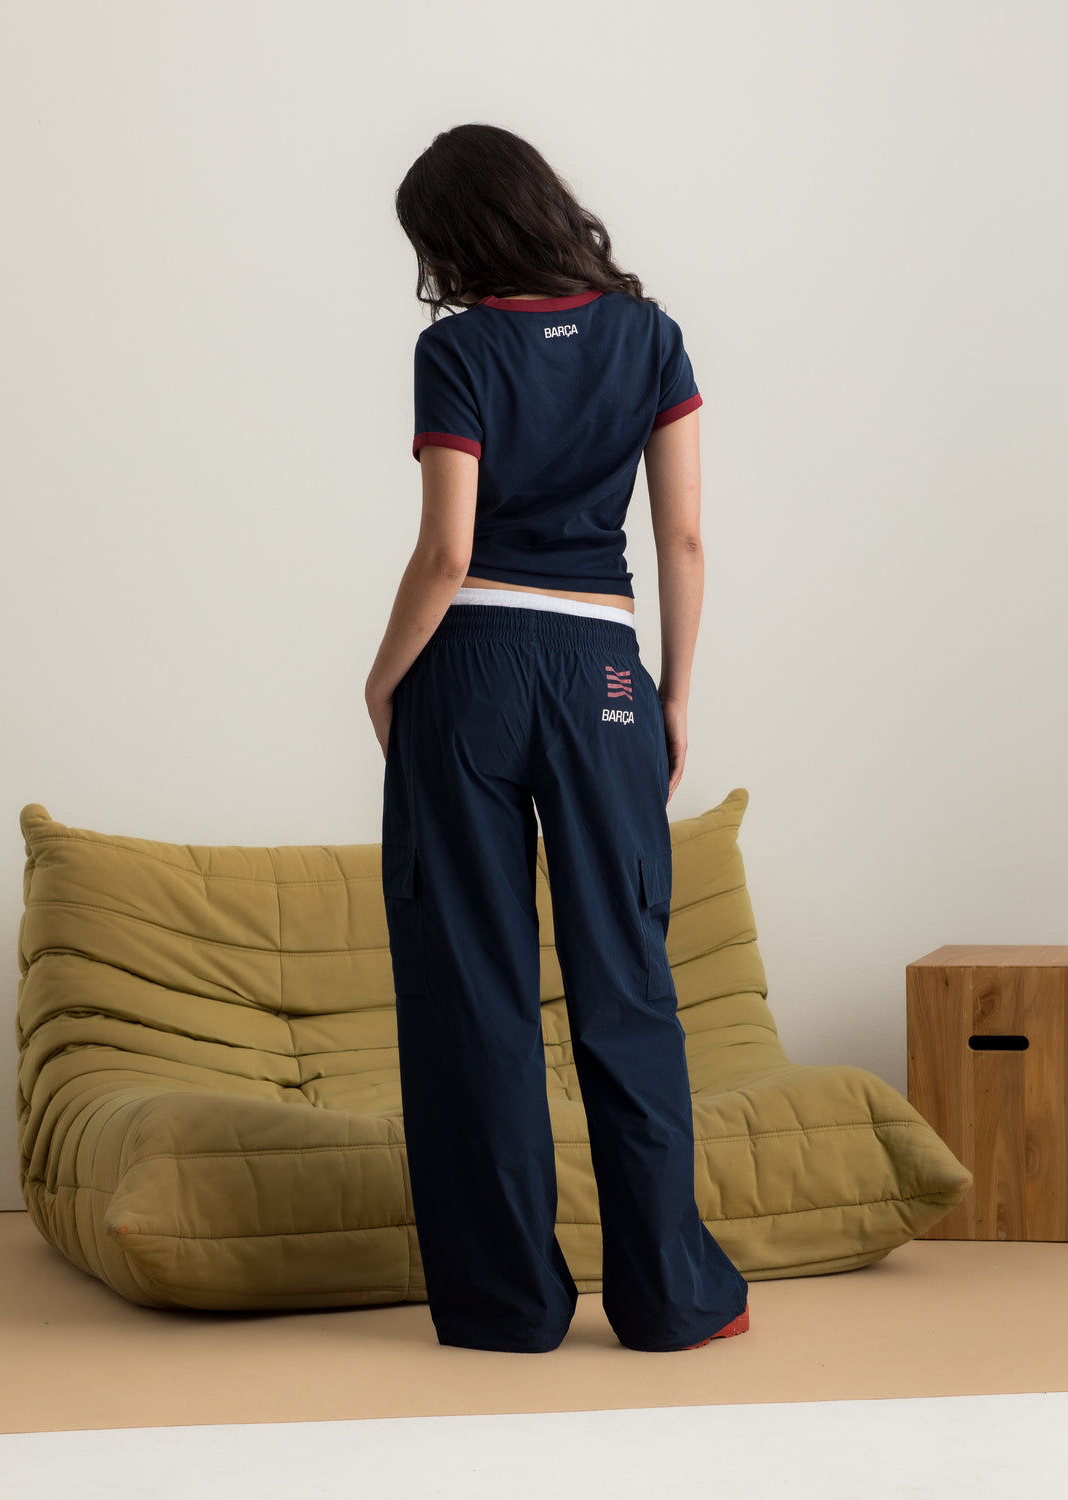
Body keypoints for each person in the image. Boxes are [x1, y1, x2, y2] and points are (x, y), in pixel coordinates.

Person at [365, 122, 749, 1354]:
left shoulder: (458, 350)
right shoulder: (650, 339)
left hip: (467, 668)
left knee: (471, 988)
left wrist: (383, 683)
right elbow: (683, 540)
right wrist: (674, 694)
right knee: (626, 984)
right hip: (602, 672)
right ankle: (672, 1300)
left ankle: (505, 1306)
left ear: (453, 239)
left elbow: (447, 553)